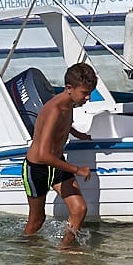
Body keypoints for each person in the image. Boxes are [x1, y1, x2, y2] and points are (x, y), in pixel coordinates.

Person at [24, 62, 98, 249]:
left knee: (79, 209)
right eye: (85, 93)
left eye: (89, 92)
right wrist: (77, 169)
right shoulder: (54, 110)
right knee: (37, 220)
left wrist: (79, 134)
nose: (88, 97)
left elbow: (64, 126)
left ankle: (64, 249)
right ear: (69, 88)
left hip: (56, 165)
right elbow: (42, 155)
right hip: (37, 168)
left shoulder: (71, 103)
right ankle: (29, 257)